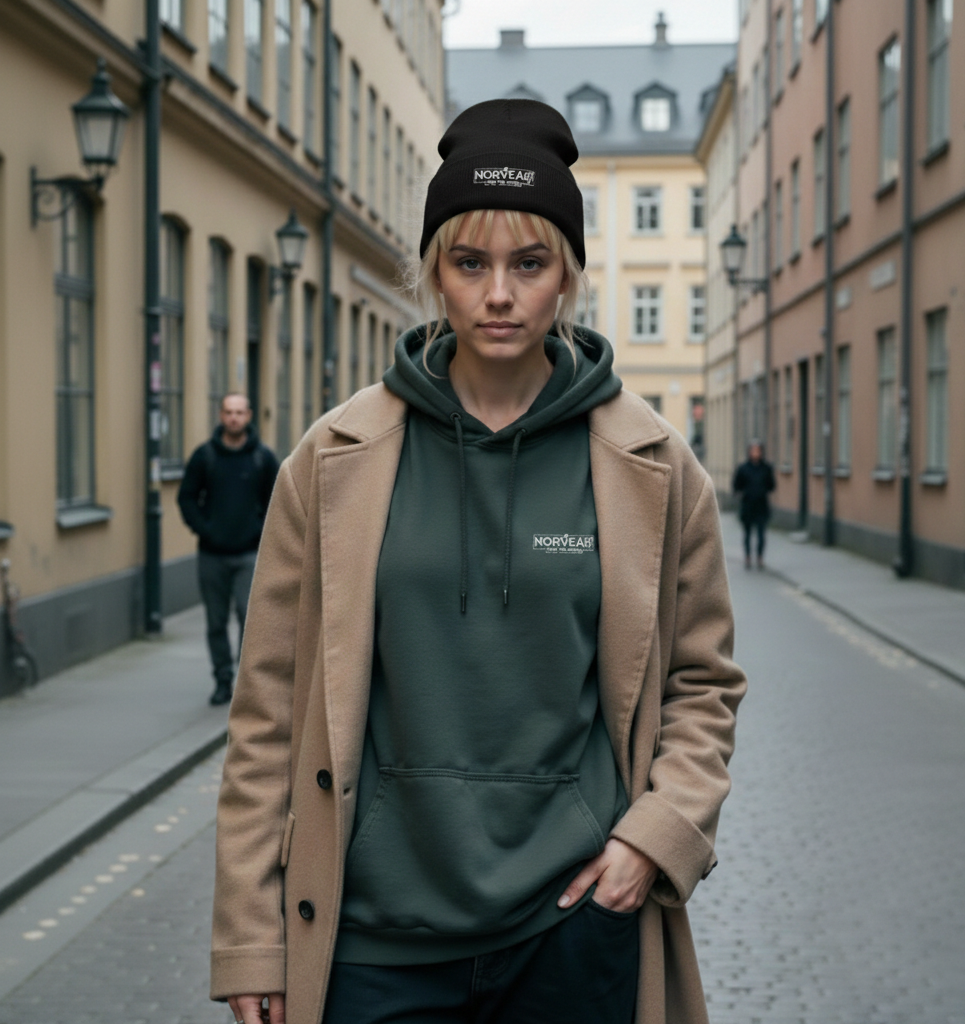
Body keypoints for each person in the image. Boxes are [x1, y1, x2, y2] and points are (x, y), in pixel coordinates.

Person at [210, 99, 746, 1024]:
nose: (500, 294)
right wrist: (253, 937)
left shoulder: (651, 466)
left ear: (567, 275)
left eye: (529, 264)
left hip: (571, 925)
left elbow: (703, 684)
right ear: (434, 274)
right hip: (372, 939)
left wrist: (654, 839)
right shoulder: (334, 459)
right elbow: (267, 710)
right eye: (470, 263)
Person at [177, 393, 279, 705]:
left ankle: (248, 685)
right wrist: (205, 529)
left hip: (249, 554)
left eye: (239, 412)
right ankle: (223, 680)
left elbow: (278, 502)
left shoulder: (262, 458)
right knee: (215, 622)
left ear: (249, 416)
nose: (234, 418)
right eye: (228, 412)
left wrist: (259, 532)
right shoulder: (204, 456)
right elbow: (186, 498)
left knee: (250, 619)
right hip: (212, 555)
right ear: (221, 415)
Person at [732, 440, 776, 570]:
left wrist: (762, 490)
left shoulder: (766, 468)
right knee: (747, 534)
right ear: (749, 452)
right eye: (753, 450)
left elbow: (772, 485)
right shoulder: (743, 468)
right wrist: (742, 493)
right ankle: (747, 557)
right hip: (748, 505)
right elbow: (736, 484)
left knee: (761, 534)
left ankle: (760, 557)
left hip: (761, 505)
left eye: (758, 450)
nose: (756, 453)